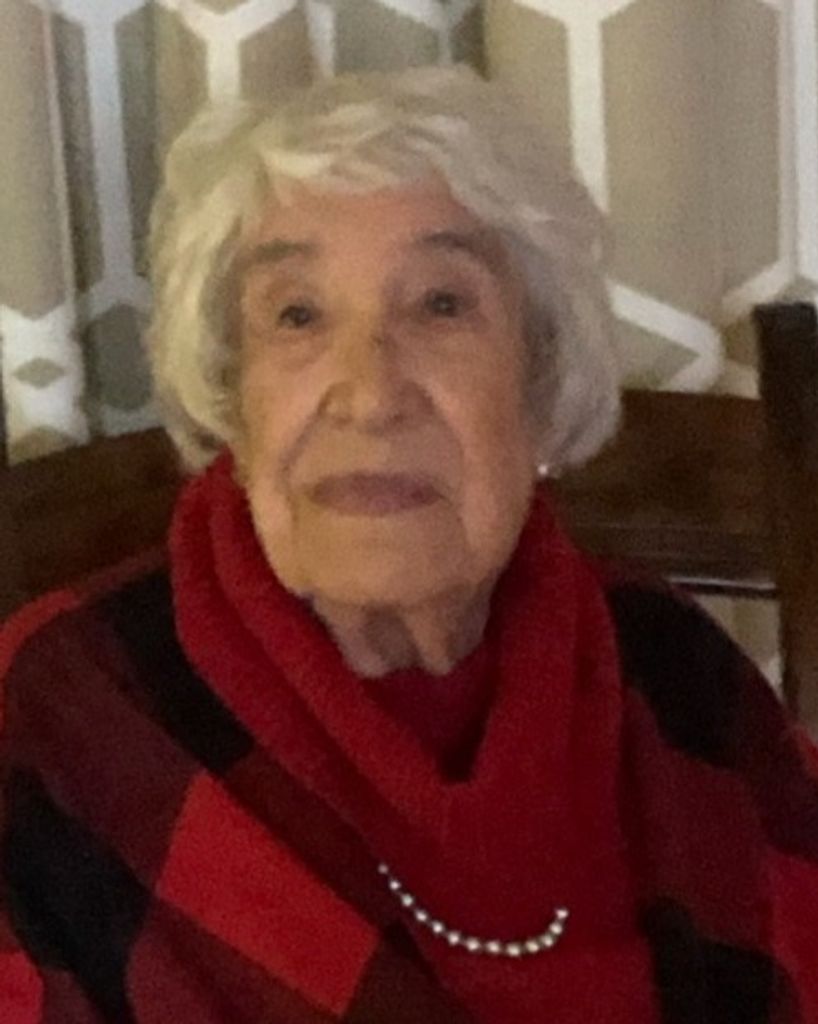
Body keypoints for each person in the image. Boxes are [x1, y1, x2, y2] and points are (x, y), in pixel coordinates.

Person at [1, 65, 817, 1024]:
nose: (372, 393)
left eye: (441, 305)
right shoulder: (53, 725)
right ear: (234, 400)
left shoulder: (680, 677)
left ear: (540, 381)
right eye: (297, 314)